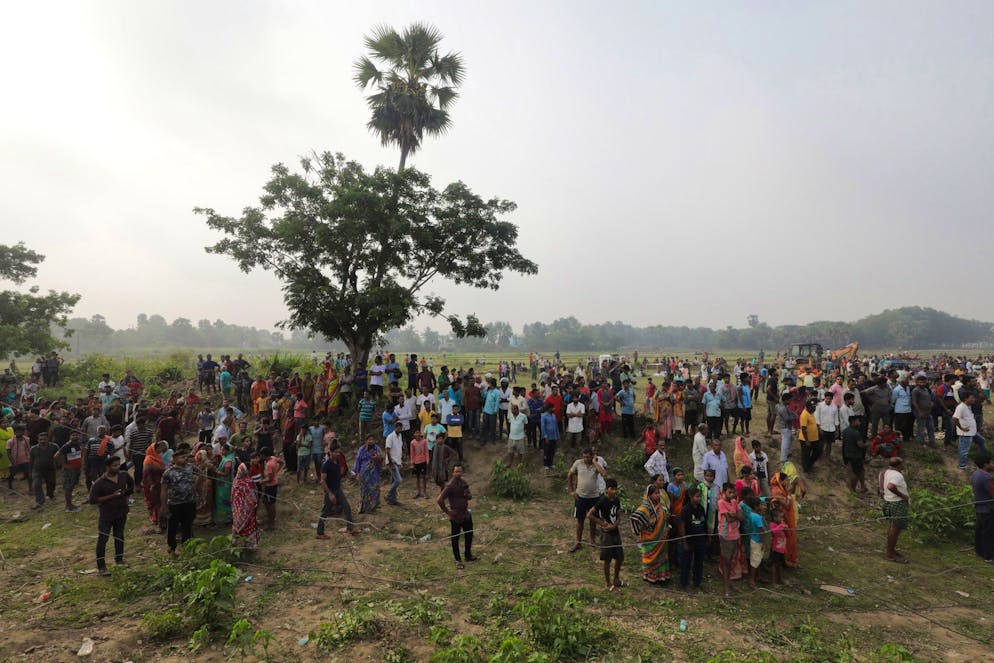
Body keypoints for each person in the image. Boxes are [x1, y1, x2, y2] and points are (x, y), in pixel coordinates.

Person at [88, 456, 134, 575]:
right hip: (106, 515)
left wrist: (126, 495)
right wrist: (111, 496)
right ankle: (101, 567)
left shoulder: (123, 475)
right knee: (103, 539)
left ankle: (119, 560)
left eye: (118, 465)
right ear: (107, 467)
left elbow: (131, 484)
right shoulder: (99, 483)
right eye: (114, 465)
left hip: (121, 512)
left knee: (119, 537)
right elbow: (92, 500)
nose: (117, 467)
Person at [160, 445, 197, 556]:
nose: (185, 459)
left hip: (189, 502)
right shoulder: (168, 472)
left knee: (187, 525)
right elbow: (164, 490)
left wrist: (198, 490)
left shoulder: (191, 467)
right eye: (182, 457)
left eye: (186, 457)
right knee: (173, 526)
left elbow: (201, 474)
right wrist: (164, 506)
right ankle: (172, 548)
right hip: (174, 504)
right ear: (175, 459)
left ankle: (187, 547)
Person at [630, 483, 671, 584]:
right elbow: (636, 517)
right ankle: (649, 575)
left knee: (662, 556)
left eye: (658, 493)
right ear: (649, 495)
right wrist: (645, 526)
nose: (658, 495)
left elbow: (665, 517)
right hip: (650, 538)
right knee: (650, 556)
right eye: (655, 493)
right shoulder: (646, 507)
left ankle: (661, 576)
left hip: (661, 537)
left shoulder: (661, 506)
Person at [567, 448, 606, 553]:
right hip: (580, 497)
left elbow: (603, 473)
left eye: (588, 457)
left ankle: (592, 540)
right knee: (580, 520)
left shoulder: (596, 464)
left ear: (592, 456)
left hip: (594, 497)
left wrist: (594, 462)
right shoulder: (578, 463)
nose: (585, 458)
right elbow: (569, 475)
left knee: (593, 520)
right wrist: (572, 491)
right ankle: (578, 542)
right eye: (584, 456)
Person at [589, 478, 624, 592]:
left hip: (615, 532)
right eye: (611, 489)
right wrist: (603, 523)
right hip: (606, 534)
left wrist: (615, 525)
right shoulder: (602, 501)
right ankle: (608, 583)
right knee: (607, 559)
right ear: (607, 489)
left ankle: (616, 579)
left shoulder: (616, 500)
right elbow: (590, 515)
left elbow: (619, 514)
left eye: (615, 489)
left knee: (619, 557)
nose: (614, 491)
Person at [438, 464, 475, 569]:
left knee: (469, 534)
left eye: (460, 471)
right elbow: (439, 500)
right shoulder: (450, 486)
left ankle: (468, 555)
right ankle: (457, 560)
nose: (458, 473)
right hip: (456, 516)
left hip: (465, 514)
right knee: (455, 538)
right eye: (456, 472)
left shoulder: (464, 483)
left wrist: (468, 495)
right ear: (453, 473)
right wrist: (448, 512)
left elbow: (470, 496)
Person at [317, 439, 356, 537]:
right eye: (335, 452)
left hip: (338, 489)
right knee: (325, 512)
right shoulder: (326, 465)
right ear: (330, 452)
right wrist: (330, 494)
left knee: (347, 507)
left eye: (338, 452)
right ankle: (320, 532)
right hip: (330, 491)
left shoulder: (337, 461)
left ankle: (350, 528)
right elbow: (322, 481)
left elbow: (339, 474)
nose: (337, 454)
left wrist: (348, 476)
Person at [717, 482, 744, 597]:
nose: (732, 495)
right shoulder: (721, 502)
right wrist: (734, 515)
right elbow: (728, 519)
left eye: (734, 492)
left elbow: (741, 517)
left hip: (735, 534)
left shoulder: (734, 502)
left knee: (732, 559)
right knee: (726, 560)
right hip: (726, 535)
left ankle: (729, 581)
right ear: (724, 492)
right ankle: (726, 588)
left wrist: (734, 515)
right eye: (730, 492)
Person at [881, 456, 910, 563]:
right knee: (895, 529)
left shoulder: (887, 471)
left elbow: (881, 475)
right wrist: (903, 496)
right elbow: (890, 486)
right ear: (898, 465)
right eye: (902, 463)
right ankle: (889, 554)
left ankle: (891, 550)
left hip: (888, 501)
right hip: (897, 503)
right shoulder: (897, 475)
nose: (903, 465)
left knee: (892, 527)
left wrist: (881, 490)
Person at [680, 487, 707, 592]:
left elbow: (703, 523)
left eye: (700, 496)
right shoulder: (685, 509)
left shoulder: (701, 508)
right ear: (690, 497)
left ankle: (697, 581)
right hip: (689, 539)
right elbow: (682, 526)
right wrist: (684, 541)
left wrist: (706, 537)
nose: (699, 498)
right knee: (686, 562)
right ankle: (685, 583)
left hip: (700, 539)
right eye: (697, 496)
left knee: (699, 561)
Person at [231, 458, 260, 550]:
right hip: (248, 510)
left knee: (236, 524)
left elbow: (232, 495)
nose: (251, 470)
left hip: (237, 509)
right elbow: (253, 497)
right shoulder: (248, 482)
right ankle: (248, 546)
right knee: (248, 526)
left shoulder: (236, 480)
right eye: (249, 468)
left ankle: (233, 542)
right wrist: (255, 504)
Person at [971, 454, 994, 563]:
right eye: (991, 463)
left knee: (979, 531)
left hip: (979, 507)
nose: (993, 465)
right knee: (988, 533)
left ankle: (979, 551)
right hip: (987, 508)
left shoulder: (975, 474)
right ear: (986, 464)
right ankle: (989, 557)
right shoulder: (987, 477)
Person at [954, 391, 985, 471]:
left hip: (972, 432)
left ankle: (983, 458)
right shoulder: (961, 407)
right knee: (964, 449)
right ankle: (962, 466)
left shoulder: (968, 406)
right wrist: (961, 428)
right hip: (966, 433)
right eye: (972, 398)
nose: (973, 399)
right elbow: (955, 418)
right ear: (965, 399)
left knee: (982, 441)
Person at [141, 441, 167, 531]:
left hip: (159, 482)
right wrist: (152, 484)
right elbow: (146, 473)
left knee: (160, 502)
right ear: (154, 449)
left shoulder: (157, 457)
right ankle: (158, 521)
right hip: (152, 484)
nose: (161, 450)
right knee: (156, 503)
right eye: (159, 448)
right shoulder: (148, 459)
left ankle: (161, 520)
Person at [55, 430, 84, 512]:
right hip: (69, 471)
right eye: (73, 435)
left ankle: (70, 504)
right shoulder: (67, 445)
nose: (75, 437)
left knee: (71, 487)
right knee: (68, 488)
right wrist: (64, 465)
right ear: (70, 436)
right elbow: (56, 456)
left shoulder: (78, 444)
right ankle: (68, 506)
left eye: (77, 435)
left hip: (76, 469)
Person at [354, 434, 383, 514]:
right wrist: (355, 471)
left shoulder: (377, 448)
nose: (371, 441)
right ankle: (365, 508)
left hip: (374, 472)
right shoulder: (362, 449)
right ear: (366, 440)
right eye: (369, 439)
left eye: (372, 439)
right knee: (365, 489)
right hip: (364, 473)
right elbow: (358, 460)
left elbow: (381, 458)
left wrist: (377, 458)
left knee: (374, 488)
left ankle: (373, 506)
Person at [28, 431, 57, 508]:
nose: (42, 441)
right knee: (36, 484)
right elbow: (31, 461)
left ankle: (50, 495)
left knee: (51, 483)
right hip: (37, 470)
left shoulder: (54, 446)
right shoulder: (33, 449)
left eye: (44, 439)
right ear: (38, 440)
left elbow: (59, 456)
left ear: (48, 439)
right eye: (40, 439)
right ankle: (39, 501)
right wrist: (30, 471)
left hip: (50, 469)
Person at [841, 415, 868, 493]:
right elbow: (860, 445)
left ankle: (862, 486)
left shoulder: (845, 431)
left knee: (860, 470)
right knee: (855, 473)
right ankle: (853, 489)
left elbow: (844, 444)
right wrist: (867, 444)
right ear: (853, 422)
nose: (859, 423)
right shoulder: (856, 433)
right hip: (855, 455)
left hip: (847, 454)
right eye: (858, 421)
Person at [260, 447, 283, 531]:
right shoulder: (273, 458)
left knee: (270, 504)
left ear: (264, 455)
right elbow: (281, 462)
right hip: (273, 484)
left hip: (270, 485)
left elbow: (269, 478)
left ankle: (271, 523)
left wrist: (261, 482)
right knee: (266, 501)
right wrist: (276, 471)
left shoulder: (269, 464)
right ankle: (271, 519)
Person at [815, 392, 839, 462]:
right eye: (827, 398)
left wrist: (837, 430)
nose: (828, 400)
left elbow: (836, 419)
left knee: (829, 444)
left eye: (830, 399)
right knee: (821, 444)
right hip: (822, 428)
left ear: (832, 399)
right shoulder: (819, 405)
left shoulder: (834, 407)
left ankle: (827, 457)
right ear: (824, 398)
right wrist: (819, 428)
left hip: (831, 428)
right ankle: (819, 456)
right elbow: (817, 418)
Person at [798, 399, 822, 472]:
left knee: (818, 451)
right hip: (806, 439)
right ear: (807, 407)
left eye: (814, 406)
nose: (814, 408)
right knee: (806, 455)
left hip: (814, 438)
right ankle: (806, 469)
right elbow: (803, 428)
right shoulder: (804, 415)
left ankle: (809, 465)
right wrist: (807, 440)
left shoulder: (811, 413)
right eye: (812, 406)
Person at [385, 422, 404, 506]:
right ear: (395, 428)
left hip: (398, 461)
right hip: (392, 461)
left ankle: (392, 500)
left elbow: (399, 449)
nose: (400, 430)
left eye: (401, 428)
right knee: (398, 480)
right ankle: (388, 495)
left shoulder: (400, 436)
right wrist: (390, 463)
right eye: (399, 428)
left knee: (394, 481)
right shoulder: (390, 437)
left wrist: (401, 461)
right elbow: (387, 451)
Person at [768, 509, 787, 585]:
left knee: (780, 564)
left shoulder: (782, 524)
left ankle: (781, 579)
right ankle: (773, 581)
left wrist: (786, 529)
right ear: (775, 518)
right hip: (775, 548)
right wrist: (782, 525)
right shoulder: (772, 524)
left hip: (782, 548)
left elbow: (787, 535)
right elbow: (774, 532)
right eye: (781, 517)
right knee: (773, 564)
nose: (782, 519)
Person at [506, 403, 527, 468]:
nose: (512, 411)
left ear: (517, 410)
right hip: (511, 437)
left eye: (513, 410)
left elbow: (525, 424)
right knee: (510, 451)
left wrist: (521, 431)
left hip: (520, 437)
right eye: (511, 410)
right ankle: (509, 463)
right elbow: (510, 423)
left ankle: (519, 463)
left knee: (520, 451)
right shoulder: (510, 415)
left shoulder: (523, 416)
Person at [540, 404, 560, 471]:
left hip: (554, 436)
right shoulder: (544, 416)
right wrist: (545, 437)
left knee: (552, 451)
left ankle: (550, 464)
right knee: (547, 451)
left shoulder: (553, 415)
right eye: (552, 408)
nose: (554, 409)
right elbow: (543, 427)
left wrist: (557, 436)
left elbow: (556, 426)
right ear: (549, 409)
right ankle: (545, 464)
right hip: (547, 437)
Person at [410, 431, 430, 499]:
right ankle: (418, 492)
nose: (417, 436)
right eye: (416, 434)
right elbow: (412, 452)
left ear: (420, 435)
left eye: (418, 434)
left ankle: (424, 492)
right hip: (416, 462)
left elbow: (426, 451)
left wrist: (427, 460)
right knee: (417, 477)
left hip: (423, 461)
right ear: (414, 435)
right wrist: (412, 462)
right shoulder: (412, 442)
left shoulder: (424, 441)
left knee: (423, 477)